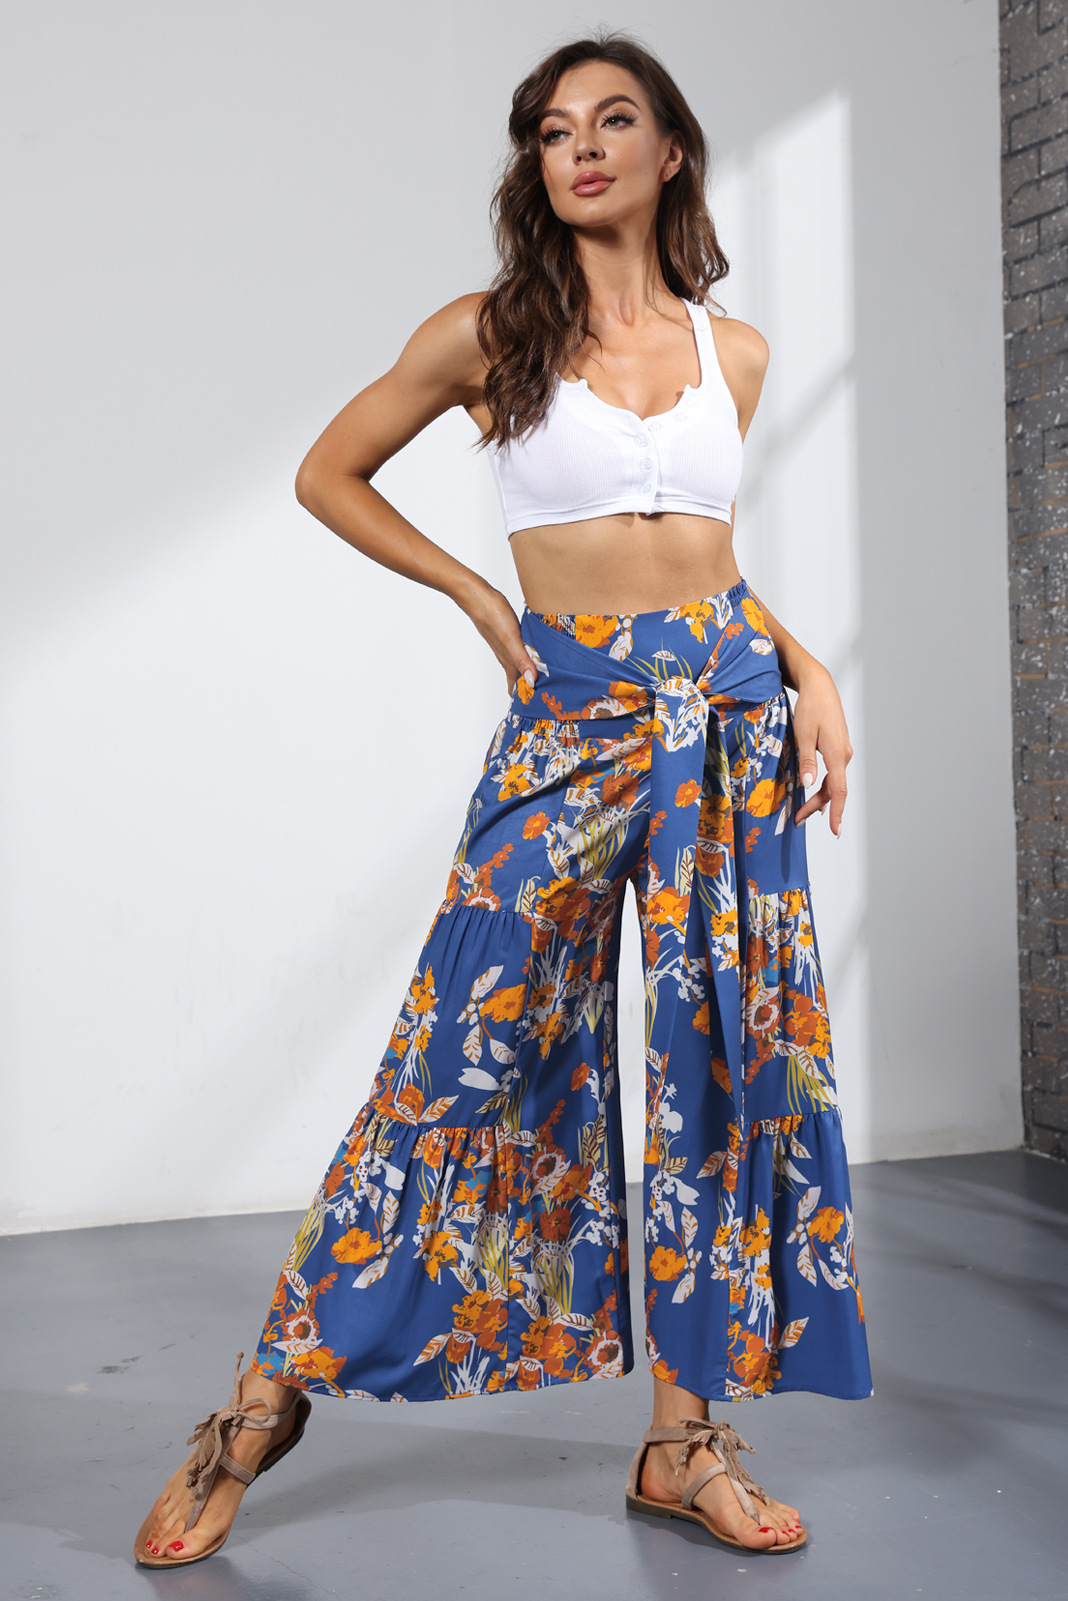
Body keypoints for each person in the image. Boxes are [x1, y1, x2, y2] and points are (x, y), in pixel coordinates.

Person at [136, 29, 872, 1570]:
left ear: (673, 150)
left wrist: (805, 662)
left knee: (715, 1070)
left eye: (614, 119)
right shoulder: (490, 334)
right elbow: (328, 473)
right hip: (572, 724)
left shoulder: (733, 351)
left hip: (730, 728)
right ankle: (259, 1406)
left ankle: (682, 1442)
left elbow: (706, 559)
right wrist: (484, 601)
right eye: (553, 129)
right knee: (454, 1057)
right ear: (537, 164)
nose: (582, 146)